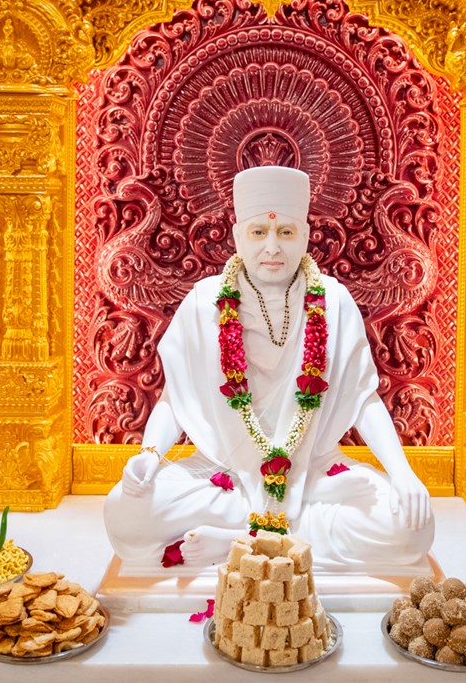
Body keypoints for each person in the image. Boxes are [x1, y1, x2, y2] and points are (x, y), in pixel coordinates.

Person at [104, 166, 434, 573]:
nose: (272, 247)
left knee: (412, 529)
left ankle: (242, 541)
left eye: (286, 232)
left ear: (306, 237)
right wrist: (150, 456)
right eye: (259, 232)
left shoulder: (333, 301)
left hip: (312, 472)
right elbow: (176, 399)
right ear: (238, 236)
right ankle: (281, 540)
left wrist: (402, 473)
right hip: (223, 470)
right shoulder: (204, 302)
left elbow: (363, 398)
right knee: (123, 514)